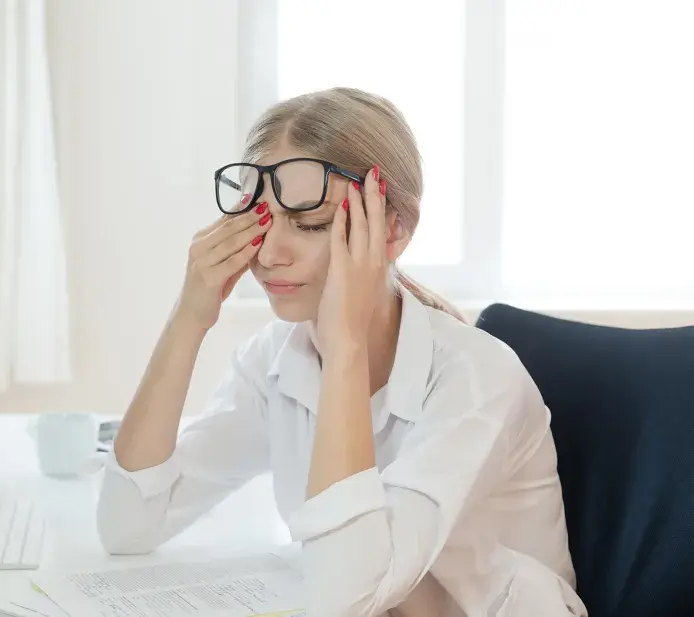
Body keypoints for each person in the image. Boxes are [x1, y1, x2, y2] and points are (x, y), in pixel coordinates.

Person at [95, 87, 587, 617]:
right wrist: (187, 319)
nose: (270, 253)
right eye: (260, 220)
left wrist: (345, 343)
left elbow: (344, 596)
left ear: (392, 230)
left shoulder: (477, 379)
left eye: (309, 224)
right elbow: (128, 527)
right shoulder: (278, 360)